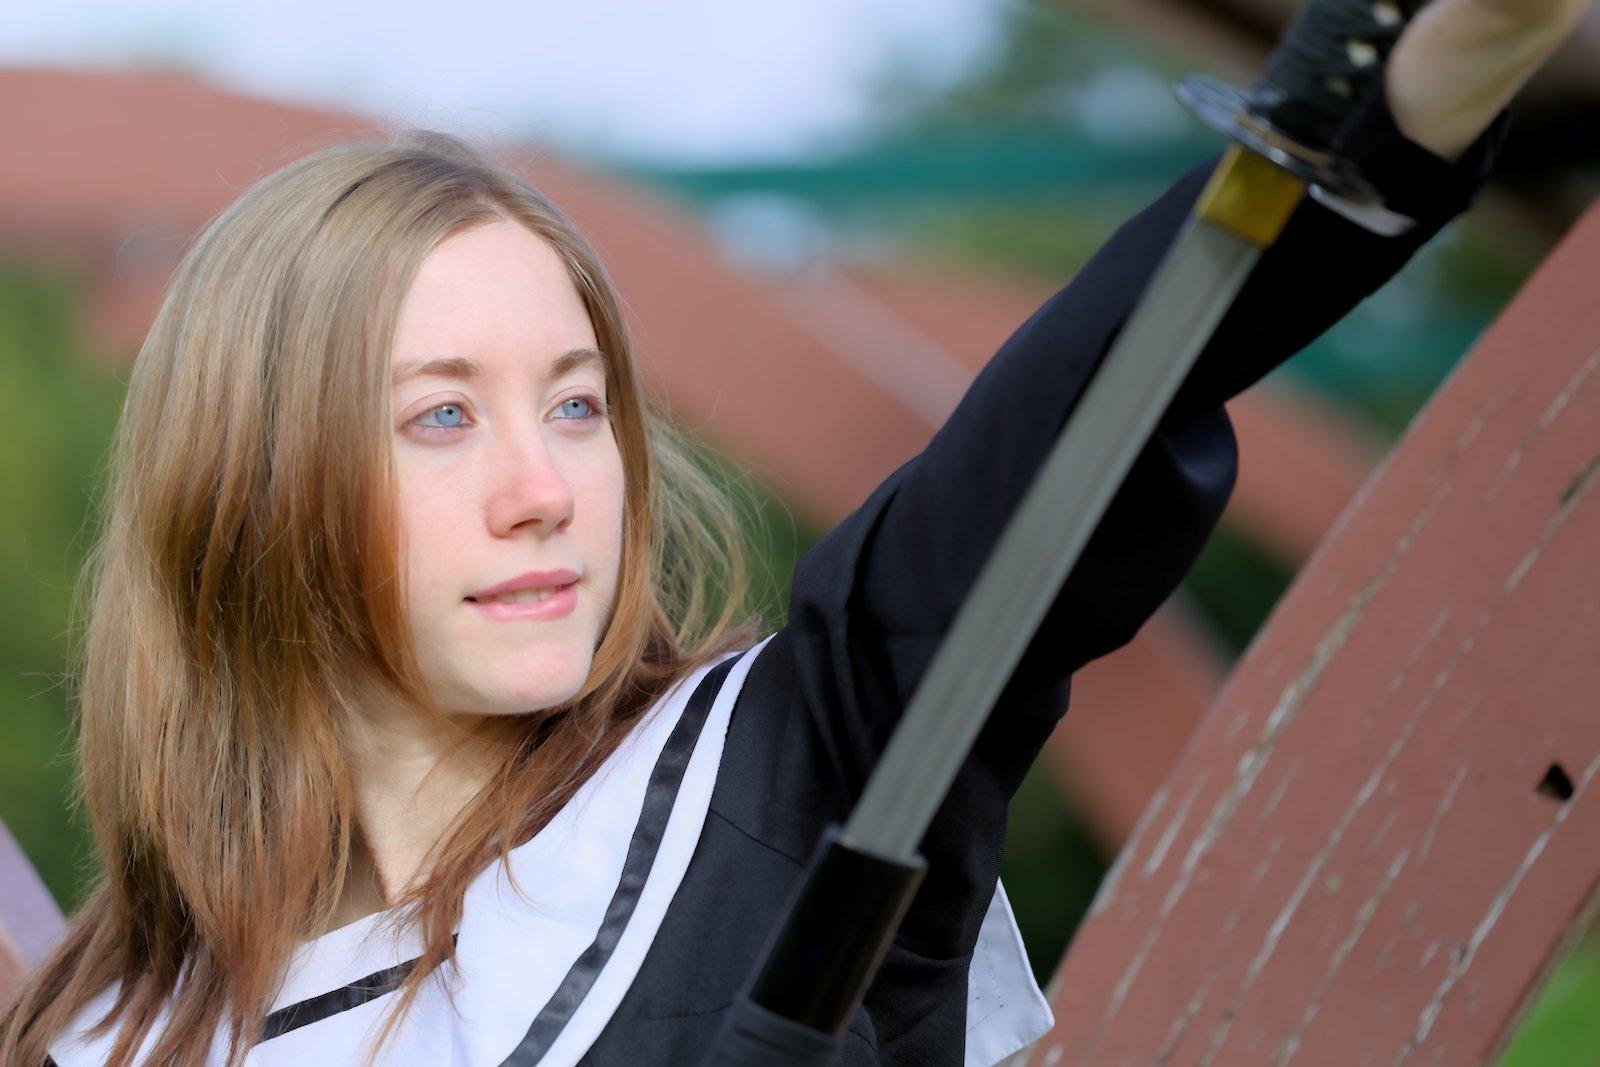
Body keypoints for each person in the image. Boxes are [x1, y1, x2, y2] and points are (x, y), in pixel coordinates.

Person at [3, 0, 1590, 1063]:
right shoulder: (108, 1035)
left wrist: (1411, 88)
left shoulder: (789, 773)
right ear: (254, 495)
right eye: (440, 416)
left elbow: (1068, 431)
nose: (544, 488)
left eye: (573, 406)